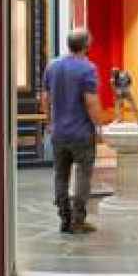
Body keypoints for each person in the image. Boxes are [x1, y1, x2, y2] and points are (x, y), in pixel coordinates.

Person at [41, 28, 110, 234]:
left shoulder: (52, 66)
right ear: (87, 46)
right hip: (81, 134)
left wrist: (50, 122)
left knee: (60, 176)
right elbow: (91, 102)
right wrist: (99, 127)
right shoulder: (87, 68)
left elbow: (45, 97)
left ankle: (64, 217)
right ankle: (78, 220)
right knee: (83, 176)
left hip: (59, 134)